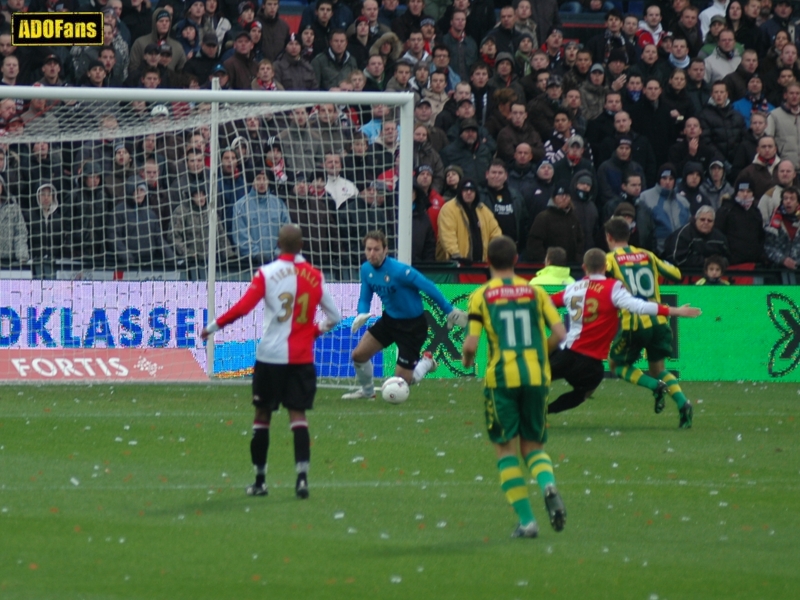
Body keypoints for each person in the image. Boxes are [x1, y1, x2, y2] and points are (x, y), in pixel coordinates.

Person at [201, 224, 341, 499]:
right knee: (297, 416)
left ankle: (260, 481)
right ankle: (301, 479)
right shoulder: (315, 276)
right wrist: (313, 332)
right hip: (301, 358)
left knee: (262, 416)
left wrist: (213, 327)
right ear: (302, 246)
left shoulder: (267, 273)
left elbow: (243, 308)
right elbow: (334, 317)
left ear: (278, 245)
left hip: (270, 357)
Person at [461, 235, 567, 539]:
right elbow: (560, 333)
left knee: (505, 449)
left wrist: (468, 361)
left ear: (488, 262)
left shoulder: (481, 295)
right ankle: (547, 485)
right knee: (533, 447)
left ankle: (527, 522)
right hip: (536, 377)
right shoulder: (536, 293)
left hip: (502, 379)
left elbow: (470, 343)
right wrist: (538, 355)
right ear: (516, 259)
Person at [547, 248, 701, 415]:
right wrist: (674, 311)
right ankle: (546, 411)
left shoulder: (573, 288)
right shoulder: (613, 288)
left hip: (567, 354)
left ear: (584, 267)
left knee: (539, 378)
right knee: (582, 394)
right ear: (605, 267)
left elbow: (545, 303)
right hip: (592, 365)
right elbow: (640, 306)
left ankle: (528, 411)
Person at [342, 229, 468, 399]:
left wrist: (449, 310)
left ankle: (426, 363)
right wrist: (361, 313)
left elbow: (428, 286)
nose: (372, 253)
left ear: (385, 250)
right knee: (358, 355)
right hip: (389, 321)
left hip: (413, 327)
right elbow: (365, 297)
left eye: (376, 249)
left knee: (401, 381)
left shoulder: (400, 271)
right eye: (368, 249)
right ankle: (367, 392)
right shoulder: (366, 270)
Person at [605, 217, 694, 429]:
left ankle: (655, 387)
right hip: (660, 321)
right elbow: (676, 274)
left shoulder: (609, 259)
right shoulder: (647, 255)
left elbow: (598, 283)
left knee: (616, 364)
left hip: (634, 322)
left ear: (609, 237)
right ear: (629, 235)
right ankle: (683, 403)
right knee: (658, 367)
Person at [662, 205, 731, 268]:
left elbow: (727, 258)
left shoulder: (720, 238)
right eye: (702, 219)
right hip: (685, 274)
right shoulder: (683, 234)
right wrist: (707, 262)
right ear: (696, 219)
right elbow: (678, 259)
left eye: (709, 221)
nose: (706, 223)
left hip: (713, 275)